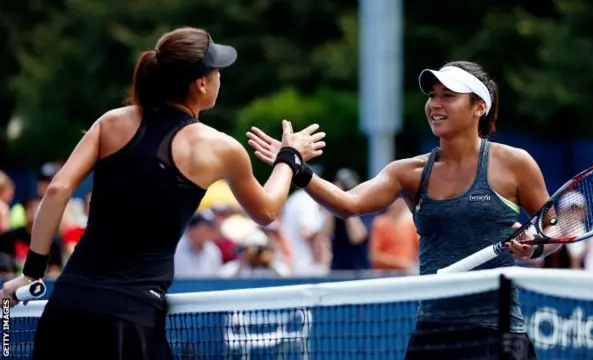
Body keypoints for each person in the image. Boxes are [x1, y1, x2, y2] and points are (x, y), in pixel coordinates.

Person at [0, 26, 325, 360]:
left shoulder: (111, 122)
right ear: (201, 84)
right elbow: (268, 211)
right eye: (217, 72)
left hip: (68, 305)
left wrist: (31, 273)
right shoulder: (220, 147)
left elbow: (57, 190)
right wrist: (290, 158)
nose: (220, 78)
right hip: (131, 319)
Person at [247, 61, 562, 359]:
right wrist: (296, 166)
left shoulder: (516, 164)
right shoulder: (408, 172)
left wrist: (534, 247)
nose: (435, 104)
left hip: (500, 333)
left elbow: (553, 228)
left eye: (448, 96)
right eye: (432, 95)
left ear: (479, 107)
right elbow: (349, 204)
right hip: (433, 332)